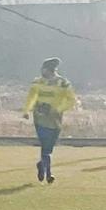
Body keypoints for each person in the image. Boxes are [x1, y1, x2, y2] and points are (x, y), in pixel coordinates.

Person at [22, 56, 77, 184]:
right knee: (45, 145)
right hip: (40, 118)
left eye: (44, 69)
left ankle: (42, 165)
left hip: (55, 119)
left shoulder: (63, 83)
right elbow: (32, 97)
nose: (42, 71)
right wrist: (27, 110)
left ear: (49, 69)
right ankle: (49, 174)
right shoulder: (37, 82)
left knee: (49, 148)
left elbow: (71, 100)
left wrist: (58, 109)